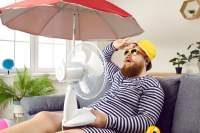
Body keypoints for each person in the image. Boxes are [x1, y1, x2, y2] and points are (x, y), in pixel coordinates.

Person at [0, 37, 164, 133]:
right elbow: (103, 59)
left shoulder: (152, 85)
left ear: (147, 58)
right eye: (126, 52)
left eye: (134, 51)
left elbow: (146, 122)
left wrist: (105, 120)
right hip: (86, 115)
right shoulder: (118, 75)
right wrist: (114, 46)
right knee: (45, 116)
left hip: (110, 127)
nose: (128, 54)